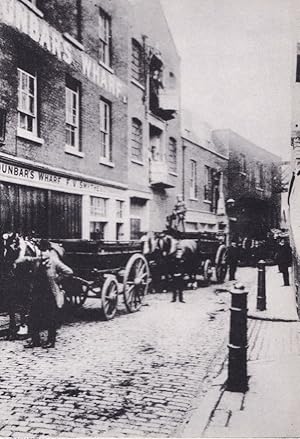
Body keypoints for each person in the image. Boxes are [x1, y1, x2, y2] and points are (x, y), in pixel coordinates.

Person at [24, 239, 73, 349]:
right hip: (37, 292)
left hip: (50, 294)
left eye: (45, 251)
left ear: (49, 251)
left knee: (50, 317)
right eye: (41, 251)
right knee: (33, 316)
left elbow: (69, 272)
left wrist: (57, 279)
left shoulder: (54, 261)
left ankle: (51, 341)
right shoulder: (36, 261)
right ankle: (35, 340)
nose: (43, 253)